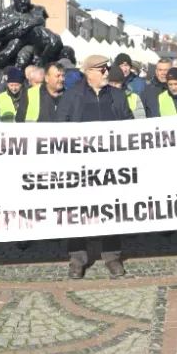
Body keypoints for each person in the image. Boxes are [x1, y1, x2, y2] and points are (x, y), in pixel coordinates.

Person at [57, 54, 132, 279]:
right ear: (88, 72)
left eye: (106, 68)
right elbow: (60, 128)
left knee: (112, 210)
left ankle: (112, 257)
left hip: (112, 166)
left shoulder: (117, 96)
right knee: (79, 212)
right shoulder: (72, 96)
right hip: (80, 167)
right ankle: (78, 259)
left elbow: (128, 123)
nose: (107, 72)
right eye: (101, 69)